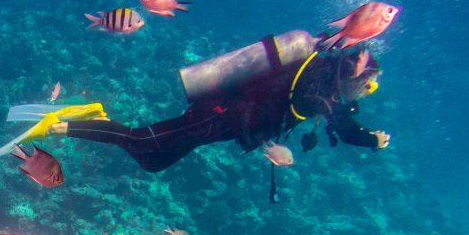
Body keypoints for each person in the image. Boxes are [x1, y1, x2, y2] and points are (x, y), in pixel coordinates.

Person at [53, 30, 391, 172]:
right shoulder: (321, 83)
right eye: (369, 87)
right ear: (355, 77)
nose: (365, 94)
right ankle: (67, 126)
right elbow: (343, 127)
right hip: (220, 114)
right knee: (140, 139)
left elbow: (337, 118)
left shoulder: (322, 82)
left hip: (222, 124)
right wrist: (371, 139)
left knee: (154, 162)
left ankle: (99, 123)